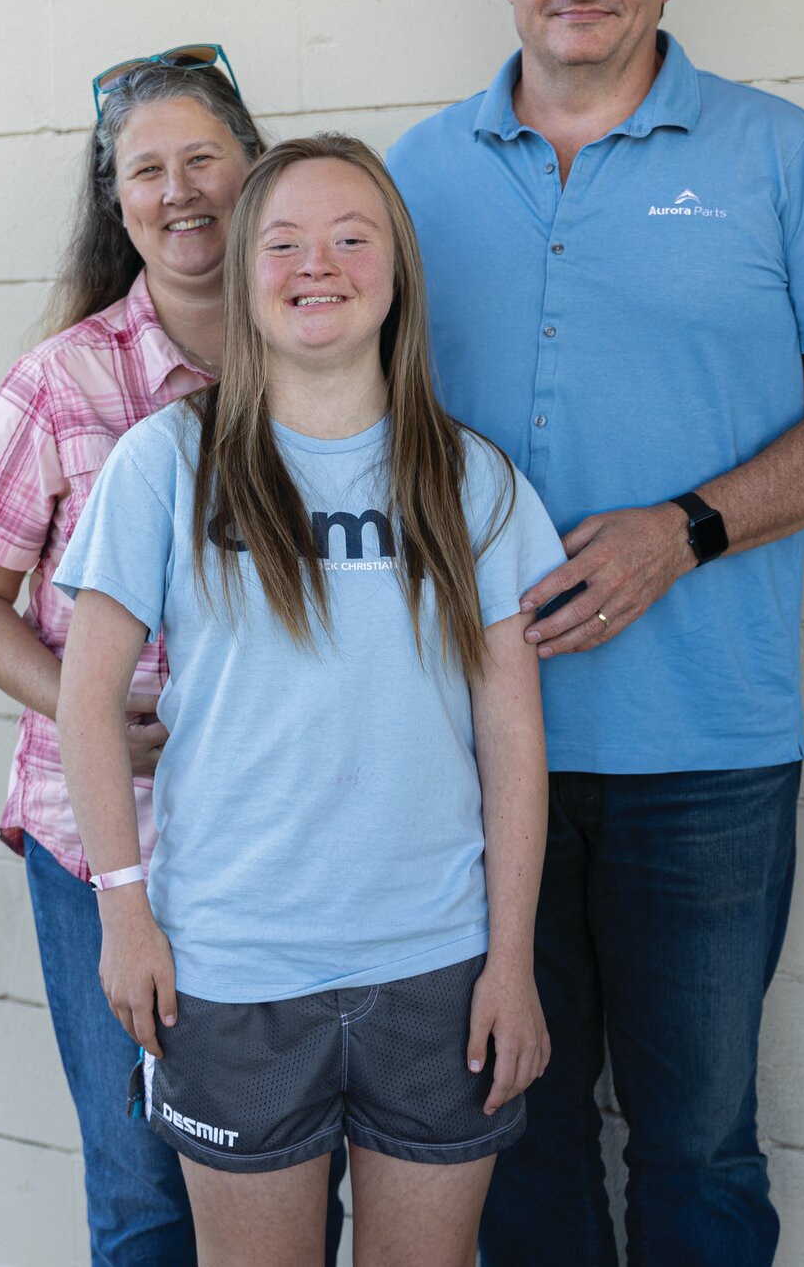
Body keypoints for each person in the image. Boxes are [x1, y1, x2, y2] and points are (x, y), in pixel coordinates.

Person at [387, 0, 804, 1267]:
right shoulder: (412, 177)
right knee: (521, 1130)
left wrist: (685, 532)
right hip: (478, 750)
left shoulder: (783, 156)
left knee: (697, 1147)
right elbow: (332, 421)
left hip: (709, 751)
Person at [51, 133, 565, 1267]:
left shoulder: (471, 480)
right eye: (280, 241)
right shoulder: (163, 465)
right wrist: (124, 912)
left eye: (349, 237)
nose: (314, 264)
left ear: (396, 272)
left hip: (436, 966)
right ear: (242, 274)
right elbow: (86, 703)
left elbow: (512, 737)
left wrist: (512, 960)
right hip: (230, 972)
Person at [0, 47, 265, 1267]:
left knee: (279, 1172)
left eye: (203, 160)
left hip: (279, 844)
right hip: (99, 841)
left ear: (254, 172)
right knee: (141, 1188)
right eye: (145, 172)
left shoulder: (328, 367)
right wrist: (89, 709)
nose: (179, 191)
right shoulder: (63, 384)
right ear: (114, 203)